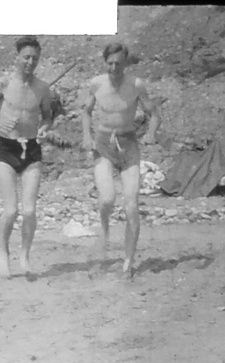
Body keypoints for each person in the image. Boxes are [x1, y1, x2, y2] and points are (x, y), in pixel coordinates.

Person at [81, 42, 162, 273]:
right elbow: (85, 112)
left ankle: (128, 261)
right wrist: (86, 135)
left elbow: (154, 114)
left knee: (131, 205)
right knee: (107, 199)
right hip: (104, 143)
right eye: (110, 63)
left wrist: (151, 133)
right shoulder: (96, 84)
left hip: (128, 145)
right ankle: (105, 230)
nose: (114, 68)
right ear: (104, 62)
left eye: (119, 63)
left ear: (126, 63)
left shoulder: (136, 85)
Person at [0, 36, 52, 278]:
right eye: (26, 57)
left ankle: (26, 256)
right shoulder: (4, 83)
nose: (30, 62)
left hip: (31, 149)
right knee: (11, 210)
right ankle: (3, 252)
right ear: (17, 57)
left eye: (35, 59)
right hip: (6, 149)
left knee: (29, 211)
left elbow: (49, 115)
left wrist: (45, 127)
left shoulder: (42, 88)